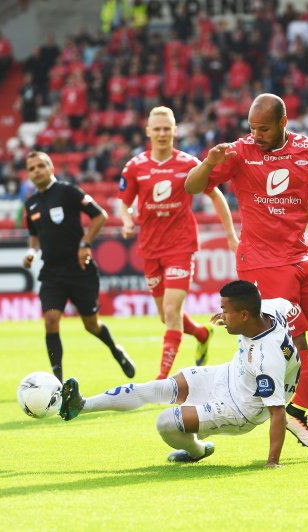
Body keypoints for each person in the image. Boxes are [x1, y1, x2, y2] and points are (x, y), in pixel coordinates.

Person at [185, 93, 308, 457]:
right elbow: (193, 187)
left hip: (299, 257)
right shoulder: (239, 153)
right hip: (261, 262)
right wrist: (208, 163)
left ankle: (296, 410)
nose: (255, 134)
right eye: (252, 127)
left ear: (284, 121)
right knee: (297, 348)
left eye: (264, 128)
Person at [59, 280, 308, 466]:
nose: (221, 314)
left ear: (245, 315)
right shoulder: (273, 307)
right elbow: (293, 313)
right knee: (163, 387)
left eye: (225, 310)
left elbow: (277, 414)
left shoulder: (266, 357)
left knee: (166, 422)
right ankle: (82, 405)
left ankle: (197, 450)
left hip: (238, 408)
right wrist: (297, 347)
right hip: (226, 374)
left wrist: (273, 463)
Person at [119, 106, 239, 379]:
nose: (162, 133)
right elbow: (123, 204)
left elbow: (216, 196)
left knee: (173, 311)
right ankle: (201, 332)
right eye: (156, 129)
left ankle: (161, 380)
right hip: (150, 248)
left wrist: (230, 234)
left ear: (174, 130)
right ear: (148, 132)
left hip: (181, 246)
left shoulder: (189, 164)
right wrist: (126, 220)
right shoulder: (135, 166)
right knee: (166, 316)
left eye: (166, 128)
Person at [23, 151, 135, 382]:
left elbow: (100, 216)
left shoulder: (67, 191)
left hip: (79, 269)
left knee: (91, 325)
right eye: (32, 168)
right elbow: (35, 236)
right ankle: (58, 381)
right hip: (52, 272)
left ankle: (116, 351)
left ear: (51, 167)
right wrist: (32, 252)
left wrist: (85, 243)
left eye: (40, 166)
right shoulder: (31, 203)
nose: (36, 171)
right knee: (51, 320)